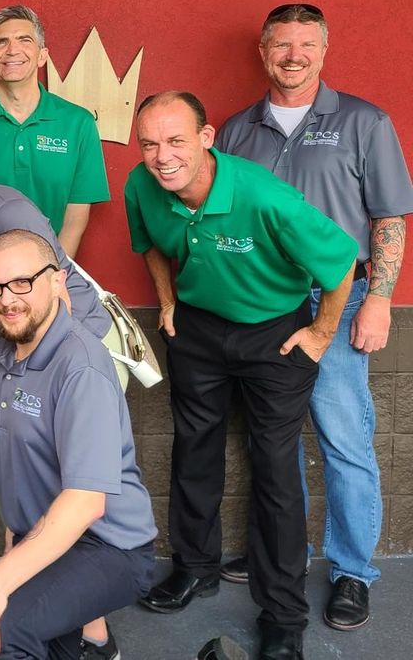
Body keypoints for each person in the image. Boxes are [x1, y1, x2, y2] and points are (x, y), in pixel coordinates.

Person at [128, 91, 357, 660]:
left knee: (275, 466)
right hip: (198, 329)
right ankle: (195, 568)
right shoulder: (141, 184)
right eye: (150, 143)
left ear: (206, 139)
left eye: (176, 140)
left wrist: (320, 336)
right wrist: (167, 301)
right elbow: (153, 246)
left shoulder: (263, 195)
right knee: (193, 447)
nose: (162, 156)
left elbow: (341, 261)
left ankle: (283, 615)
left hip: (274, 334)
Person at [214, 3, 413, 631]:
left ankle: (354, 570)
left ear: (324, 51)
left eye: (306, 44)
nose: (293, 56)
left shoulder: (363, 121)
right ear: (264, 52)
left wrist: (377, 297)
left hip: (339, 299)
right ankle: (285, 554)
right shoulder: (236, 130)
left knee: (343, 438)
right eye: (281, 45)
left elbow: (388, 217)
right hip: (261, 306)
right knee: (272, 442)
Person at [0, 229, 157, 660]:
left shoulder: (80, 367)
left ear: (58, 280)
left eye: (22, 282)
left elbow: (85, 504)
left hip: (109, 547)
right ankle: (96, 649)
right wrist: (14, 542)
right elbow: (19, 464)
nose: (8, 299)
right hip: (48, 535)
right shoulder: (9, 349)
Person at [0, 5, 109, 257]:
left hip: (51, 268)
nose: (12, 50)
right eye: (1, 42)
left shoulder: (78, 123)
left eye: (24, 40)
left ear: (42, 56)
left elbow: (74, 219)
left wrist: (53, 273)